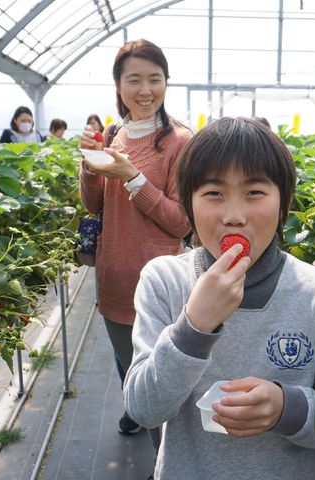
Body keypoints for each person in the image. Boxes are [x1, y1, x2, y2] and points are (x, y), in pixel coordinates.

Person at [124, 117, 315, 480]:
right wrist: (194, 325)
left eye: (254, 193)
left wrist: (287, 407)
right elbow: (143, 409)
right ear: (189, 206)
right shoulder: (165, 281)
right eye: (213, 194)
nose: (234, 216)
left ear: (284, 204)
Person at [78, 39, 192, 446]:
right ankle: (134, 408)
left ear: (166, 82)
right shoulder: (113, 134)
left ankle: (164, 462)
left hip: (159, 285)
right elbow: (95, 206)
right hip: (113, 278)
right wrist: (90, 167)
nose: (145, 90)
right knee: (128, 365)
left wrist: (133, 177)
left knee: (162, 382)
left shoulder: (180, 141)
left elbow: (180, 222)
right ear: (118, 85)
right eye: (135, 80)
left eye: (155, 79)